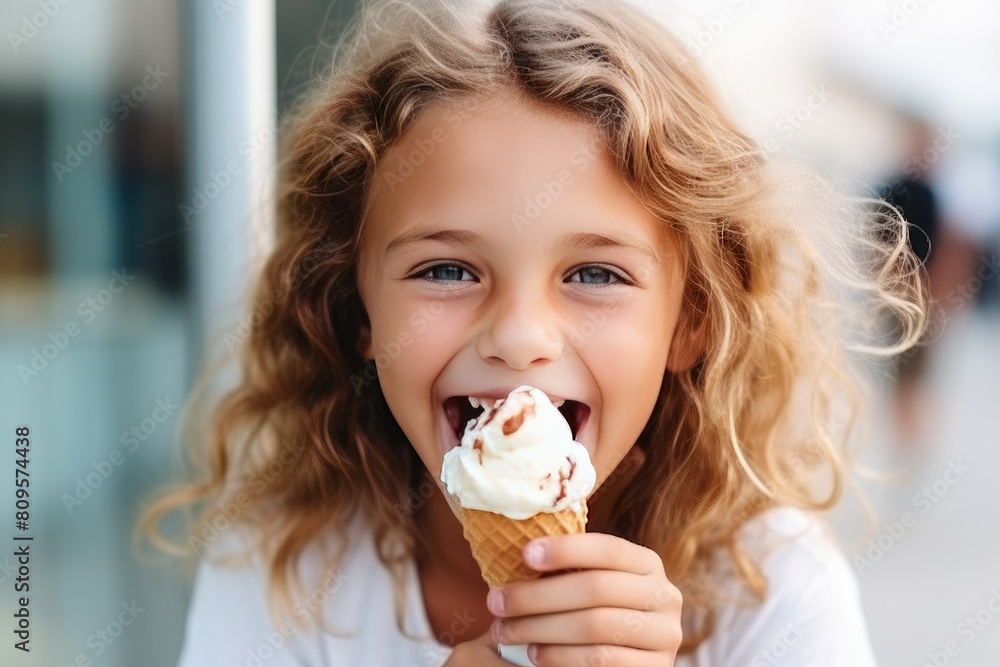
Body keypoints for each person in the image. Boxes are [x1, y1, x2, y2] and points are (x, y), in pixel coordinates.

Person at [140, 0, 926, 665]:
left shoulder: (773, 588)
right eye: (446, 270)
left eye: (595, 274)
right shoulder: (284, 568)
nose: (518, 337)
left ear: (690, 322)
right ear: (356, 314)